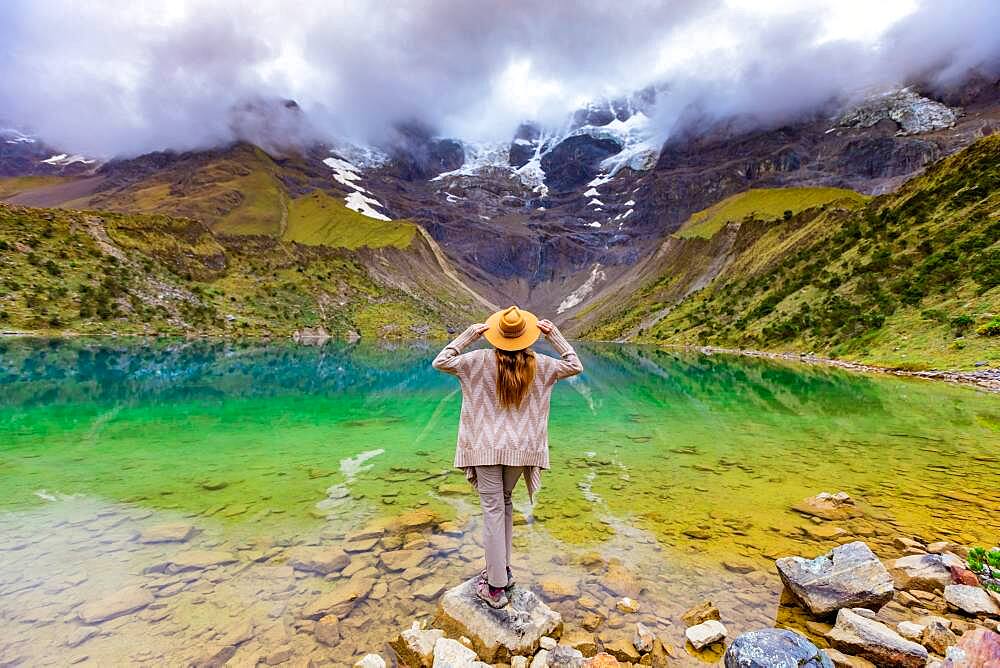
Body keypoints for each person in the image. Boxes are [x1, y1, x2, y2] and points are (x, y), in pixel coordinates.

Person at [432, 306, 583, 608]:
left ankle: (495, 586)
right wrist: (555, 337)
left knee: (492, 508)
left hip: (485, 448)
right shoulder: (541, 364)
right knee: (506, 502)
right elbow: (574, 365)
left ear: (496, 334)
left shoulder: (476, 361)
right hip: (521, 449)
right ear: (526, 336)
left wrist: (469, 336)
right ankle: (504, 570)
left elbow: (441, 361)